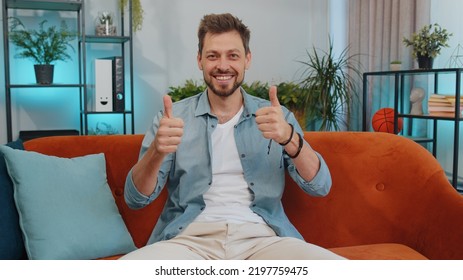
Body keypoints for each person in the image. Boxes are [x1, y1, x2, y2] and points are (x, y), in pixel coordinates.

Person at [121, 13, 344, 260]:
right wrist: (157, 151)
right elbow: (135, 199)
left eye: (233, 55)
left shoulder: (277, 118)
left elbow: (321, 186)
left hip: (263, 239)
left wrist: (289, 138)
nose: (223, 65)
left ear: (247, 59)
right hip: (188, 241)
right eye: (213, 56)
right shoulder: (172, 119)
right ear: (199, 60)